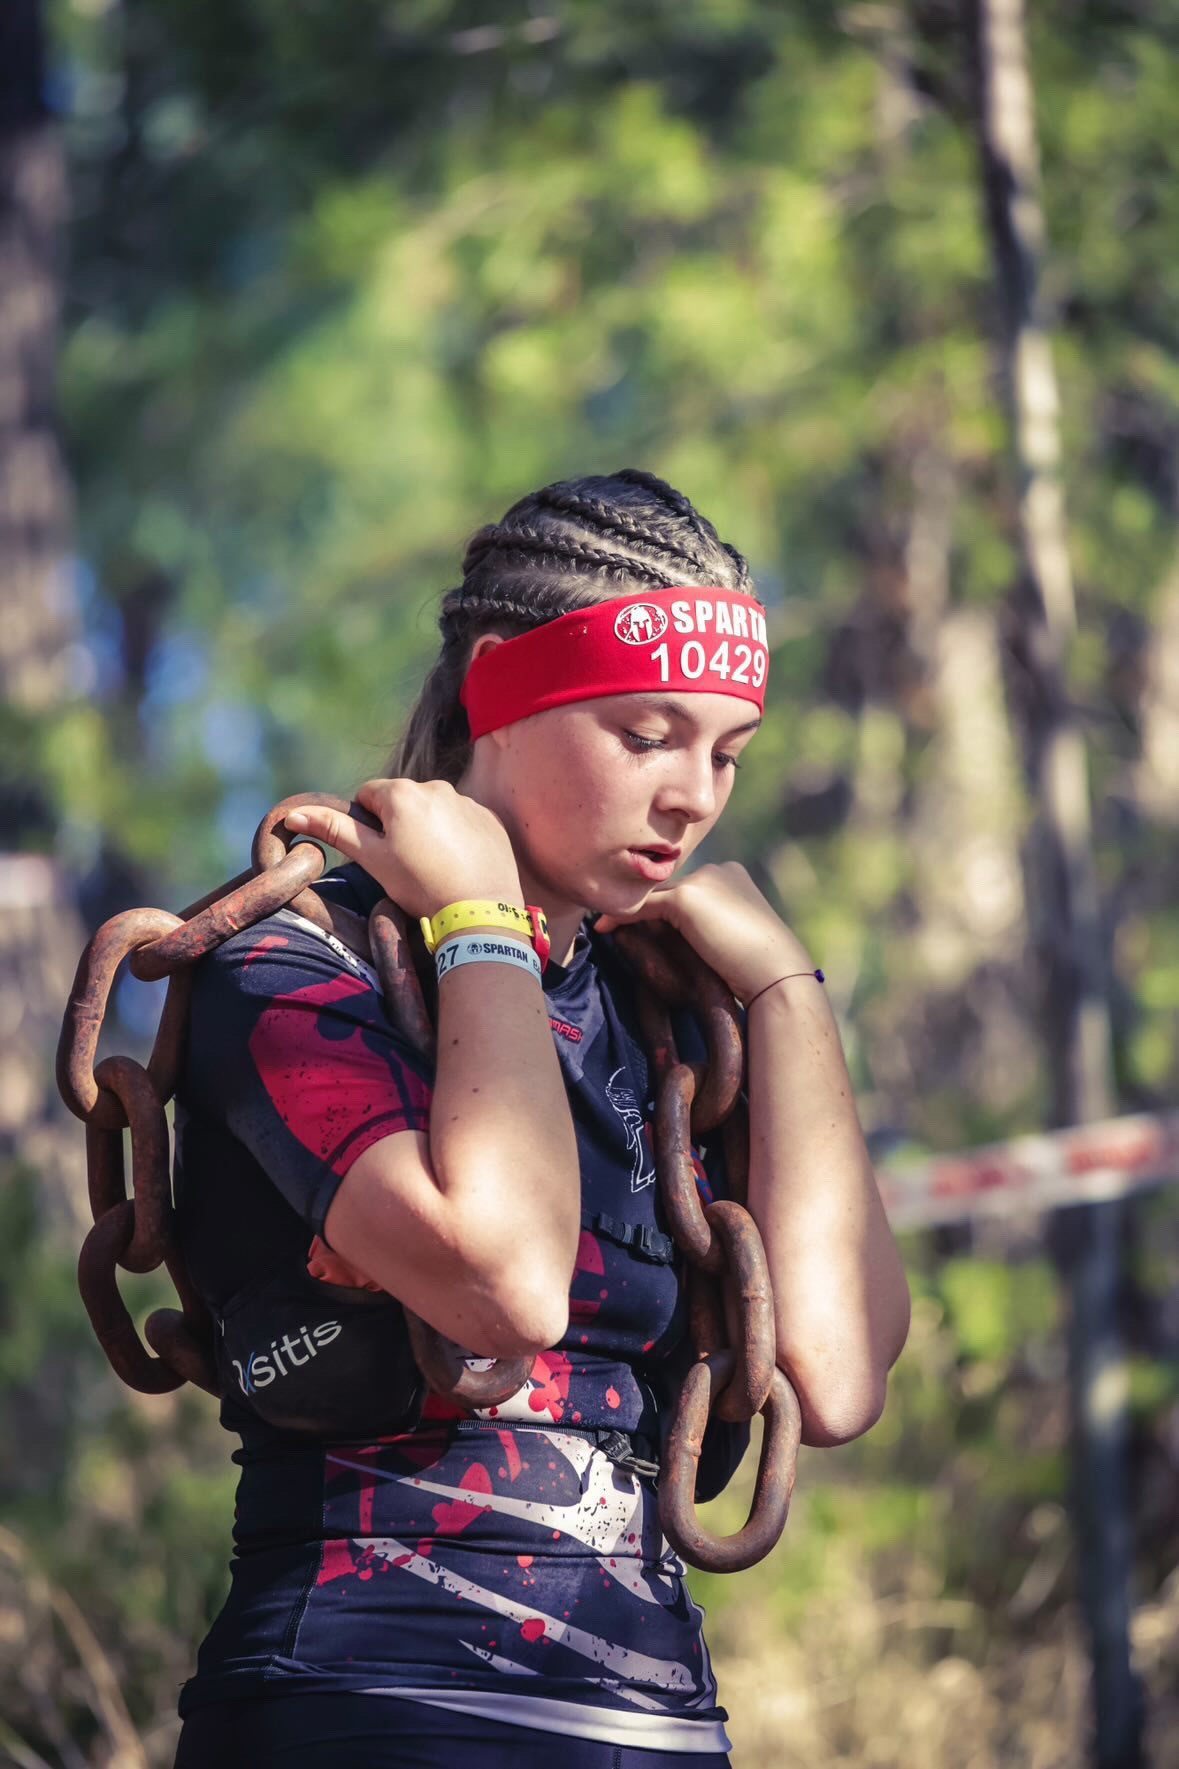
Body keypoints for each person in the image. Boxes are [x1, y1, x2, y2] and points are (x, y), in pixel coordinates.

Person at [170, 468, 910, 1768]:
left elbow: (834, 1378)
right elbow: (505, 1282)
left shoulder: (679, 1022)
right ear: (497, 689)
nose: (695, 796)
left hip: (657, 1725)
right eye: (646, 735)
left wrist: (788, 994)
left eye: (728, 751)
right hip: (368, 1709)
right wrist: (475, 916)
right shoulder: (296, 962)